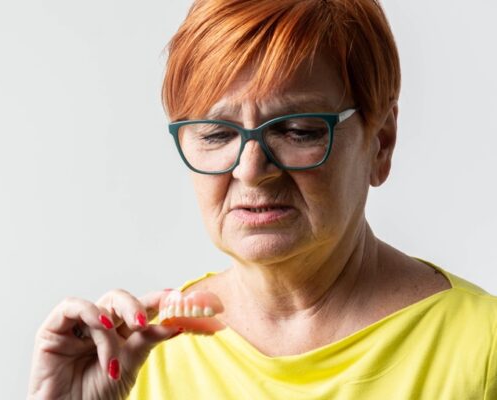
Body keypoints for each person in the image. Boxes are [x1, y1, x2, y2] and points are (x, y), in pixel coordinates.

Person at [28, 0, 497, 398]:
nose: (250, 168)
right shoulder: (140, 356)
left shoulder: (482, 350)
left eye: (298, 130)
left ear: (382, 141)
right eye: (215, 133)